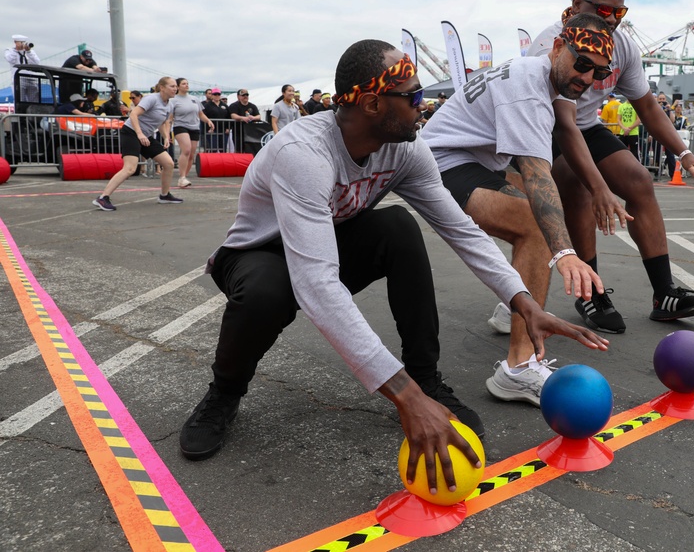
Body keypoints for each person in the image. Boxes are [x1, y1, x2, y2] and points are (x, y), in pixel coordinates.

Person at [178, 39, 608, 465]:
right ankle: (224, 393)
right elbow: (317, 284)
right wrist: (403, 397)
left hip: (330, 237)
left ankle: (427, 379)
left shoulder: (405, 148)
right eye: (413, 96)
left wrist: (523, 301)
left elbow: (461, 230)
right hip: (258, 252)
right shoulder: (304, 154)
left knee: (399, 228)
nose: (424, 104)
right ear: (371, 104)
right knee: (267, 291)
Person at [422, 14, 609, 406]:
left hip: (466, 160)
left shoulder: (539, 78)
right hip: (438, 164)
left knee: (532, 204)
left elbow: (533, 175)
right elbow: (540, 177)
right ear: (557, 49)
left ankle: (513, 309)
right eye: (582, 64)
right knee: (538, 225)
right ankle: (519, 369)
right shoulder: (529, 90)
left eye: (599, 72)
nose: (588, 78)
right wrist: (564, 252)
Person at [527, 0, 694, 333]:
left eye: (620, 12)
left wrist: (684, 153)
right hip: (546, 128)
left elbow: (647, 106)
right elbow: (562, 123)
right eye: (605, 11)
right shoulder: (554, 43)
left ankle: (665, 295)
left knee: (638, 179)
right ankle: (590, 294)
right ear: (577, 3)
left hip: (584, 124)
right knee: (578, 185)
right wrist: (599, 188)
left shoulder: (623, 45)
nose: (613, 20)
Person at [92, 76, 183, 211]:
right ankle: (103, 197)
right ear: (162, 87)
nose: (175, 89)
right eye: (172, 86)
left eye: (176, 86)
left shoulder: (169, 105)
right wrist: (139, 134)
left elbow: (163, 123)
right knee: (130, 168)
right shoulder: (152, 99)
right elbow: (133, 114)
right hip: (131, 132)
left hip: (145, 136)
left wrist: (165, 137)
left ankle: (164, 195)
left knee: (168, 163)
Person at [171, 78, 216, 187]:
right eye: (183, 84)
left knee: (191, 154)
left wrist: (208, 121)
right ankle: (181, 177)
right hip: (180, 126)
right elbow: (170, 117)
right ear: (178, 86)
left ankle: (183, 178)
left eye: (187, 83)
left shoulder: (194, 99)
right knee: (186, 150)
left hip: (194, 127)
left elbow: (200, 114)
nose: (186, 85)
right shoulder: (173, 100)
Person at [229, 89, 262, 154]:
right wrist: (243, 118)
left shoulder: (252, 106)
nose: (245, 96)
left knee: (250, 149)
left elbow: (259, 116)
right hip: (238, 132)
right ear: (238, 96)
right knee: (238, 149)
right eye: (243, 95)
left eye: (247, 95)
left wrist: (253, 118)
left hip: (250, 133)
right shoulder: (234, 105)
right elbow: (233, 115)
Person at [201, 88, 229, 152]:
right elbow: (203, 117)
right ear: (212, 95)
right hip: (212, 130)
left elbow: (228, 116)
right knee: (213, 148)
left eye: (218, 94)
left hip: (223, 130)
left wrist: (228, 128)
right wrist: (208, 128)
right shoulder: (207, 106)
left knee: (223, 149)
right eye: (215, 94)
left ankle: (223, 161)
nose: (217, 96)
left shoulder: (224, 105)